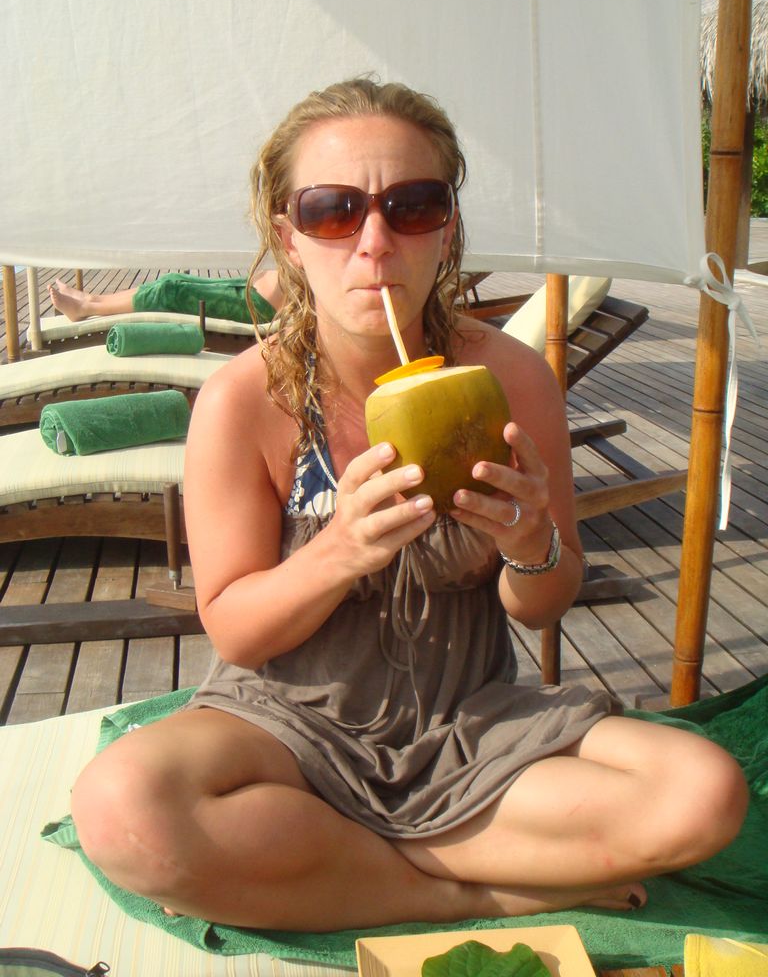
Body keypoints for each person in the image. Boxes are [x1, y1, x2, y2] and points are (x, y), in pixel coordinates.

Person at [70, 78, 748, 933]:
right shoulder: (246, 402)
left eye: (412, 206)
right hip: (284, 730)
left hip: (470, 724)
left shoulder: (508, 379)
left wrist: (530, 542)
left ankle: (325, 864)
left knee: (703, 794)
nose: (375, 242)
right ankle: (467, 891)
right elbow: (236, 630)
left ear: (447, 229)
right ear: (288, 236)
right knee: (124, 807)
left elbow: (544, 602)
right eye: (332, 211)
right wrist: (340, 549)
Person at [46, 269, 281, 326]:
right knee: (171, 279)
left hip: (257, 307)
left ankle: (86, 308)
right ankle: (92, 299)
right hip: (251, 289)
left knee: (171, 290)